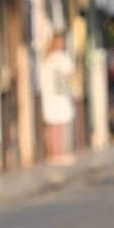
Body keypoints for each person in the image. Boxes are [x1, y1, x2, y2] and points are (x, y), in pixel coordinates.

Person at [39, 32, 75, 163]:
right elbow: (70, 73)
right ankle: (57, 153)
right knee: (57, 126)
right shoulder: (60, 57)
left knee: (53, 125)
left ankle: (54, 153)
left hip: (50, 96)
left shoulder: (46, 58)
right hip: (58, 96)